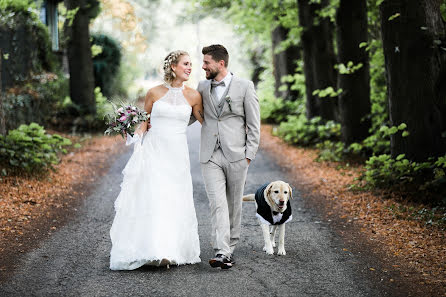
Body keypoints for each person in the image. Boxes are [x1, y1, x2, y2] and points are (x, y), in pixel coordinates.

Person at [109, 50, 204, 270]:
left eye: (191, 64)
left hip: (177, 154)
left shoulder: (193, 96)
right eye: (186, 64)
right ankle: (157, 249)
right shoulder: (153, 93)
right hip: (154, 149)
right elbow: (144, 121)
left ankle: (171, 249)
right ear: (173, 67)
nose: (190, 68)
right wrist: (134, 136)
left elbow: (206, 123)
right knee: (155, 196)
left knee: (174, 198)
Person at [197, 44, 260, 269]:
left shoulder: (245, 86)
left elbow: (254, 125)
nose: (202, 66)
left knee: (234, 205)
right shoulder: (202, 87)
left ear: (220, 63)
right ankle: (222, 251)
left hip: (236, 155)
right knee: (218, 203)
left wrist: (248, 157)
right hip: (210, 155)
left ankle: (230, 247)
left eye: (206, 62)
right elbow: (192, 115)